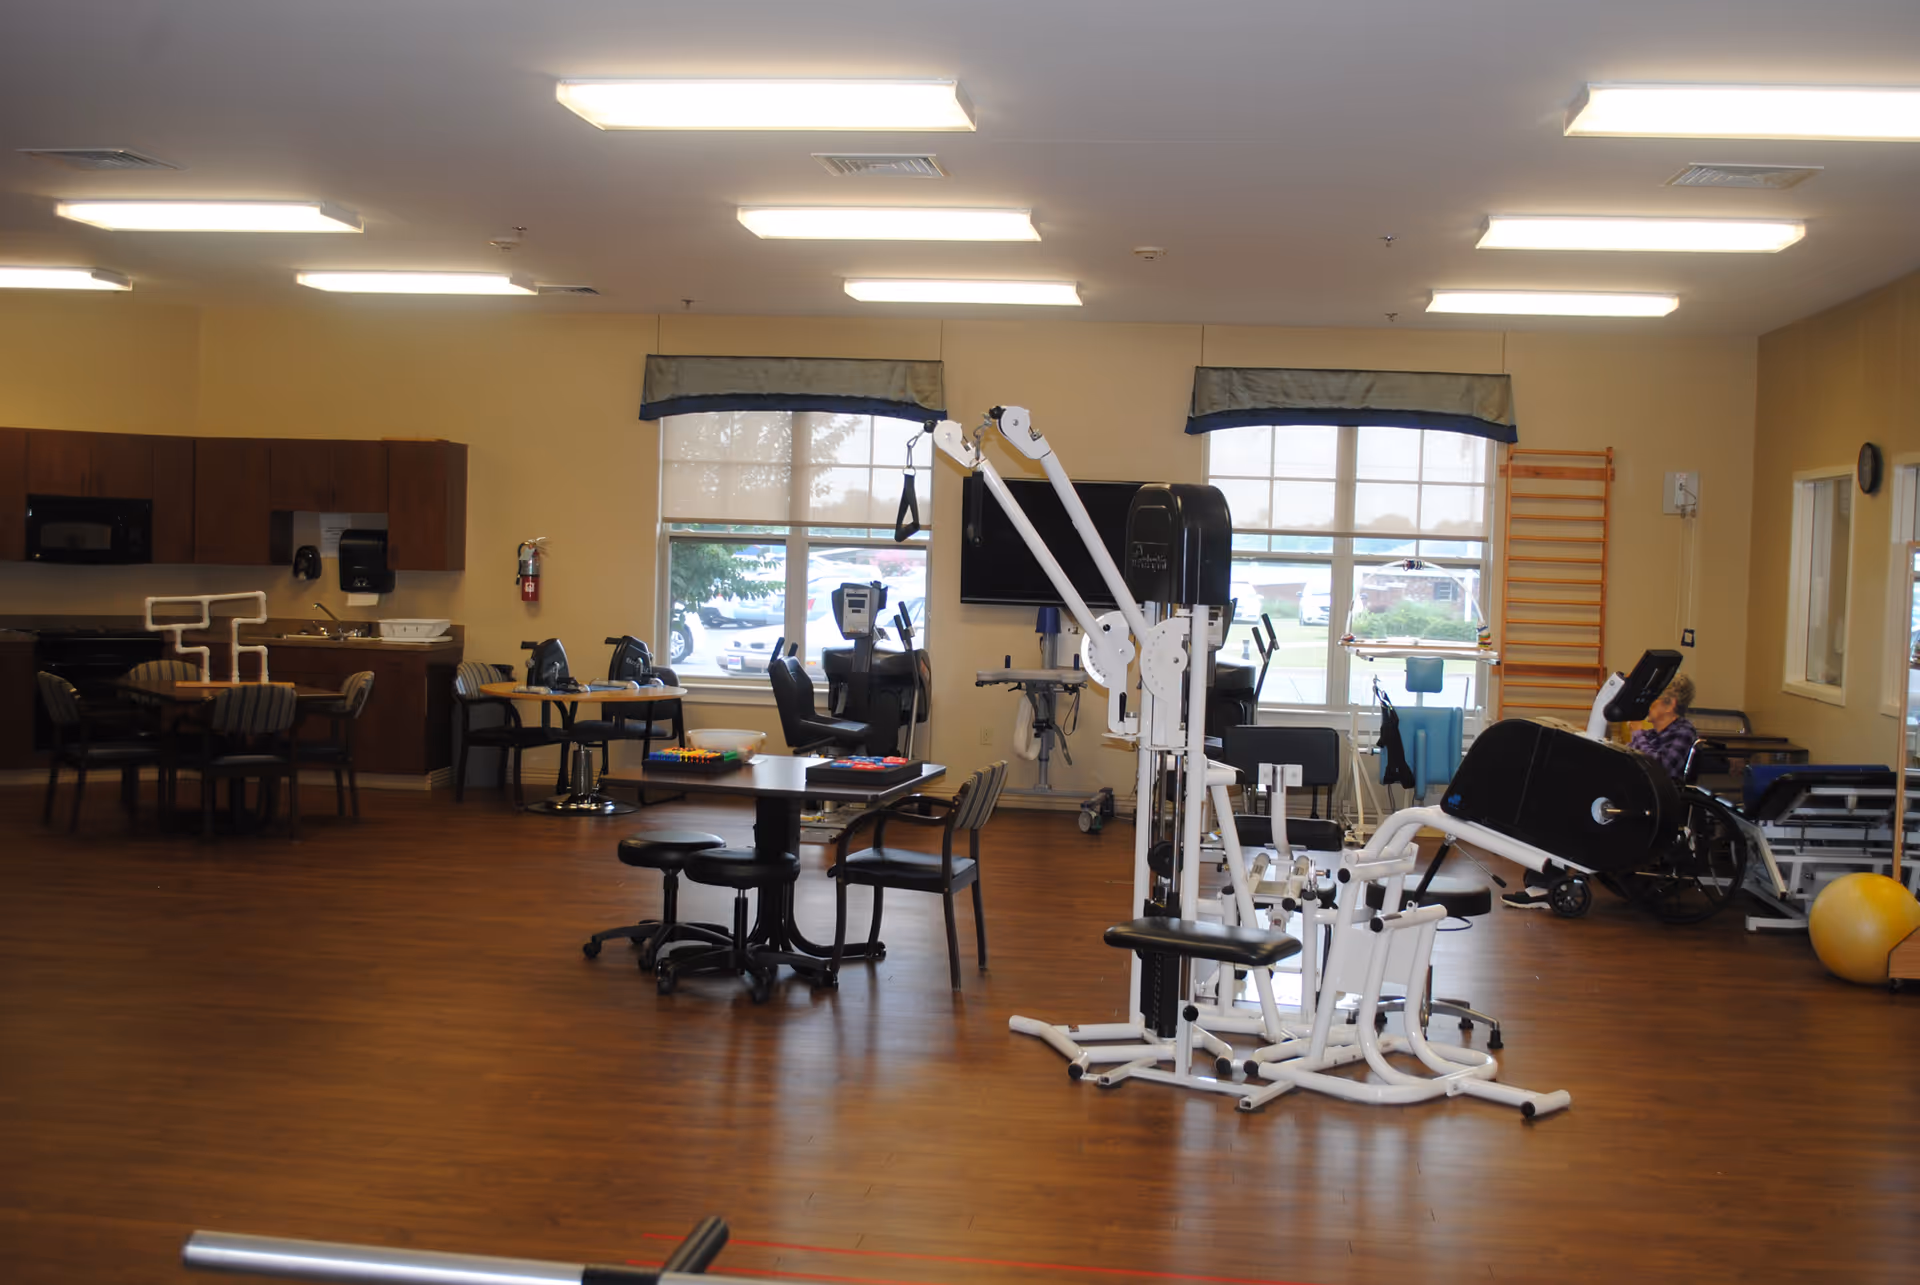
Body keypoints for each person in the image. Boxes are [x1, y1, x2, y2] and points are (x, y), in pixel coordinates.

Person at [1630, 673, 1697, 781]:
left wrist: (1638, 733)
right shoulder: (1651, 735)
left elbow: (1661, 769)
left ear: (1669, 705)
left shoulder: (1684, 732)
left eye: (1653, 699)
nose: (1648, 704)